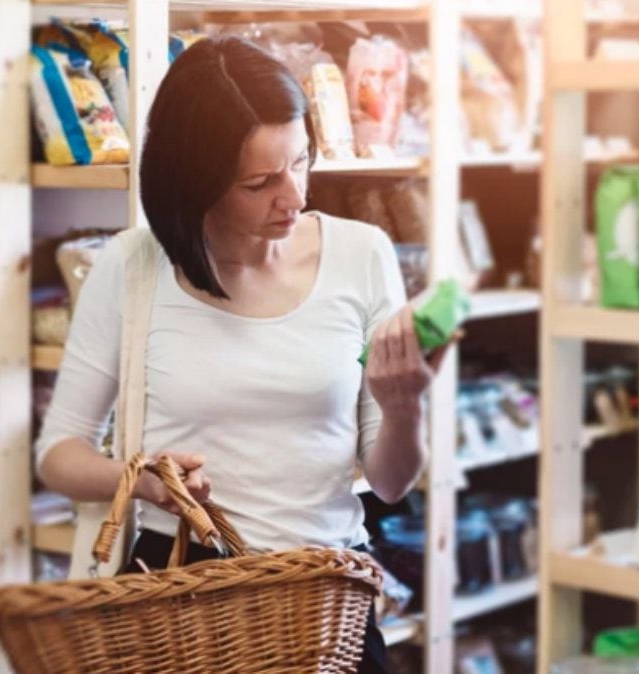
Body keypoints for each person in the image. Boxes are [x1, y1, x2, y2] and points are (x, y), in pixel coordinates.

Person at [34, 37, 447, 673]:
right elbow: (58, 455)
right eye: (260, 182)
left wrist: (405, 406)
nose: (294, 197)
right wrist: (142, 481)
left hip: (326, 597)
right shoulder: (133, 266)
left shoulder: (362, 255)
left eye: (301, 163)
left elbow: (389, 482)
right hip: (180, 601)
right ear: (194, 182)